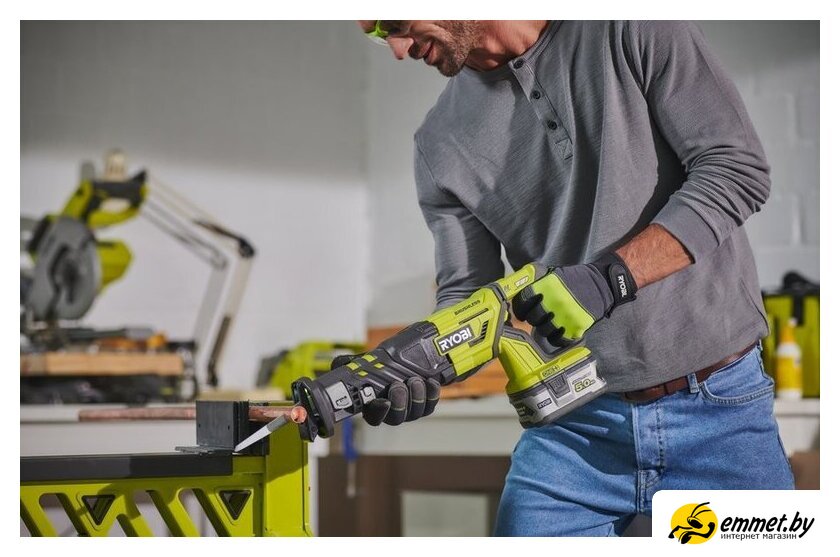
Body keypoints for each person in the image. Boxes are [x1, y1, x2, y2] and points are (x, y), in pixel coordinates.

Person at [357, 20, 795, 536]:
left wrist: (609, 279)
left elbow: (736, 171)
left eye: (394, 23)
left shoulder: (628, 24)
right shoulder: (438, 144)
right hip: (570, 431)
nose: (397, 50)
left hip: (718, 413)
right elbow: (468, 295)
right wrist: (416, 366)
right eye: (377, 35)